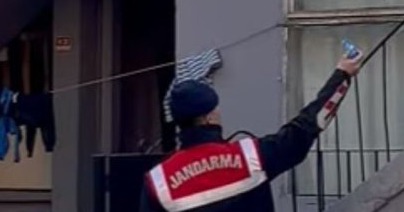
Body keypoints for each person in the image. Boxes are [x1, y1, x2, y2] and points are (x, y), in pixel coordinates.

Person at [139, 54, 360, 212]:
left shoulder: (158, 181)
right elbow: (304, 128)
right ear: (209, 117)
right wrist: (342, 75)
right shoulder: (250, 158)